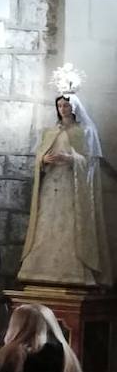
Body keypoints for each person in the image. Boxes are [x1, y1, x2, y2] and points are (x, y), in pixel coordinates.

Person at [18, 92, 112, 287]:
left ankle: (77, 273)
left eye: (66, 106)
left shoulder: (84, 132)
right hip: (51, 185)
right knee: (47, 224)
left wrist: (72, 159)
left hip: (73, 187)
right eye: (60, 106)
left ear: (75, 107)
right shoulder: (50, 132)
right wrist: (43, 160)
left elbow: (91, 162)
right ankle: (38, 270)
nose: (63, 109)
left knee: (70, 224)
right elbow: (39, 157)